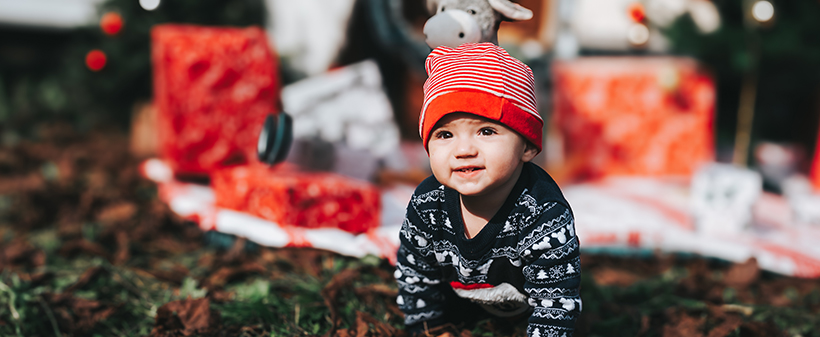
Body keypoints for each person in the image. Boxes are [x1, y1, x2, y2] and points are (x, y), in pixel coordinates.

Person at [395, 42, 581, 337]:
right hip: (457, 305)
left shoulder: (543, 214)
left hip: (525, 314)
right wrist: (428, 328)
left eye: (486, 131)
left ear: (528, 146)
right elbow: (415, 272)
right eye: (445, 134)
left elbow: (555, 301)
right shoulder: (427, 204)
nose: (464, 150)